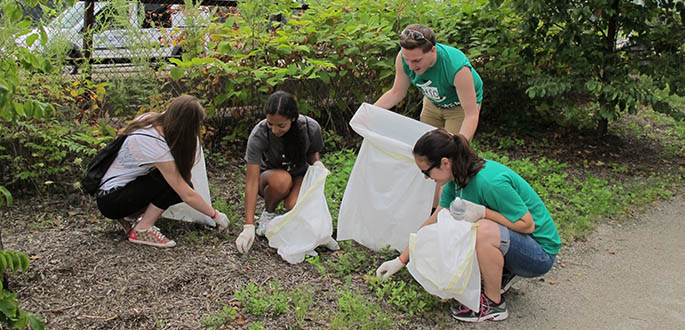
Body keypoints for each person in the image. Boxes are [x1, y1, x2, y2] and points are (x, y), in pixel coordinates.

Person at [375, 128, 561, 323]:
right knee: (457, 228)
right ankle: (500, 275)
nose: (426, 178)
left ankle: (493, 304)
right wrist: (401, 260)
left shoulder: (490, 182)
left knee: (482, 230)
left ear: (445, 162)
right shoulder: (454, 181)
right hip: (516, 244)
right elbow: (435, 221)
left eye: (426, 172)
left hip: (540, 255)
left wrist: (483, 212)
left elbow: (527, 225)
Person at [96, 94, 229, 248]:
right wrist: (216, 215)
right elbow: (186, 193)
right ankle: (143, 229)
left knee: (167, 180)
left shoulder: (148, 119)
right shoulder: (156, 147)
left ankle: (128, 217)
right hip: (113, 200)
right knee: (175, 186)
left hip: (107, 193)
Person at [236, 91, 324, 254]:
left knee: (293, 205)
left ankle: (287, 215)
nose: (275, 130)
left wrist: (318, 165)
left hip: (298, 174)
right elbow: (252, 181)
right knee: (281, 180)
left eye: (281, 125)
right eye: (271, 124)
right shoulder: (260, 133)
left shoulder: (310, 128)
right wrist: (248, 225)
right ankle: (269, 212)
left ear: (292, 118)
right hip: (270, 177)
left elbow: (312, 153)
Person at [374, 23, 483, 141]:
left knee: (450, 152)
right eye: (407, 60)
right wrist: (369, 113)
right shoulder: (402, 58)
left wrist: (460, 146)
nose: (411, 67)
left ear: (432, 50)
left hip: (459, 107)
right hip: (433, 102)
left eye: (417, 61)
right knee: (426, 149)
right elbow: (396, 92)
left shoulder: (457, 68)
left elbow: (471, 115)